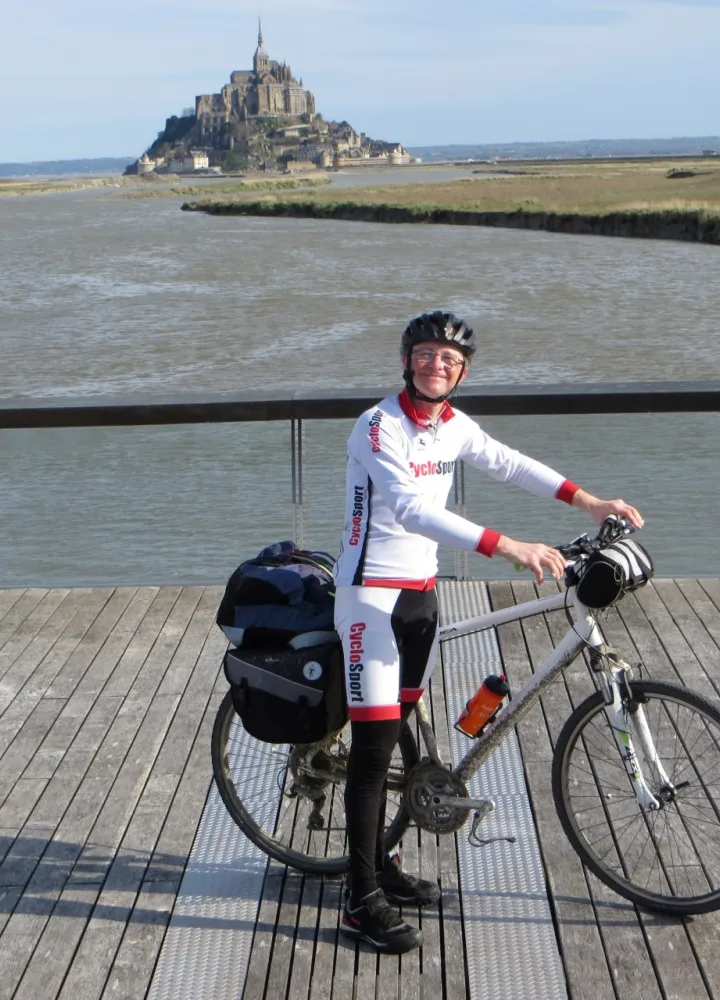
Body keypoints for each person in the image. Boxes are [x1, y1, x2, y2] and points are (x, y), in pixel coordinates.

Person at [333, 310, 643, 955]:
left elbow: (510, 463)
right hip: (370, 599)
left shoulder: (452, 425)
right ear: (405, 360)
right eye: (425, 354)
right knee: (373, 751)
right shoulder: (378, 425)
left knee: (407, 738)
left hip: (420, 596)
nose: (436, 365)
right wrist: (508, 546)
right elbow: (412, 509)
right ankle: (359, 900)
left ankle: (379, 865)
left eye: (449, 359)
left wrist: (590, 502)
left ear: (462, 371)